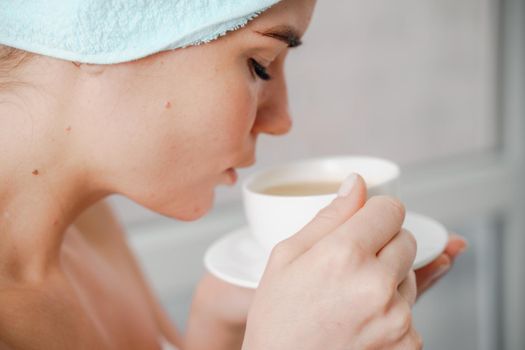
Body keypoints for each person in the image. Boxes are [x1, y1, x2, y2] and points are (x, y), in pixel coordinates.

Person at [0, 0, 467, 349]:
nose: (282, 120)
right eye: (259, 65)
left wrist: (219, 328)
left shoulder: (85, 226)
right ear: (102, 25)